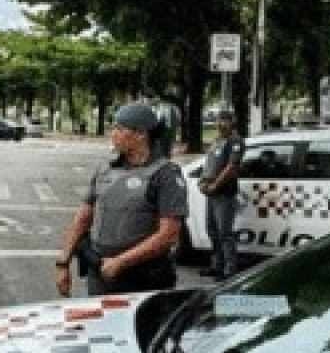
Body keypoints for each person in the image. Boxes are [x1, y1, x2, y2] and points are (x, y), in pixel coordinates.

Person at [55, 103, 188, 296]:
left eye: (119, 128)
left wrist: (120, 262)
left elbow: (169, 234)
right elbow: (83, 218)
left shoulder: (166, 174)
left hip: (143, 279)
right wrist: (63, 262)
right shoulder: (105, 169)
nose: (113, 133)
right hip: (100, 272)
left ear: (141, 134)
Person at [199, 108, 244, 280]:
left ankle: (229, 270)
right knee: (212, 231)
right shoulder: (217, 140)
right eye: (219, 120)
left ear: (233, 122)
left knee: (225, 233)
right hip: (210, 193)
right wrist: (202, 182)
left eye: (225, 120)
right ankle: (216, 265)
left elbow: (231, 168)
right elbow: (209, 165)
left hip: (224, 193)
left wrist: (215, 185)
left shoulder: (235, 141)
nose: (220, 123)